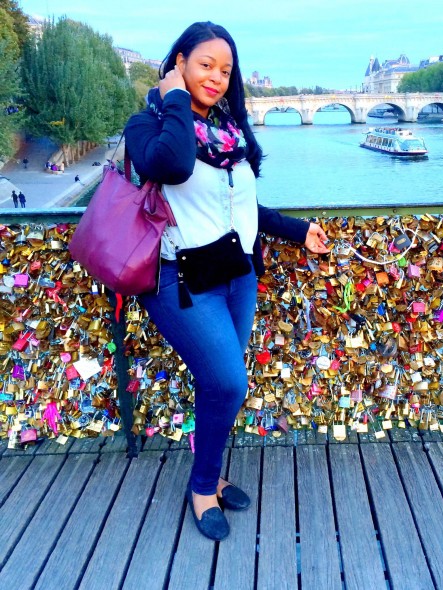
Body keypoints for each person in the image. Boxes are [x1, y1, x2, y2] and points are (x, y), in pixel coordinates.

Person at [125, 21, 328, 541]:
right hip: (180, 281)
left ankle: (212, 475)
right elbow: (170, 165)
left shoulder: (229, 132)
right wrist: (171, 97)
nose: (216, 77)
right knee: (228, 381)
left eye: (225, 69)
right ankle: (200, 488)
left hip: (237, 277)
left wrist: (297, 230)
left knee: (221, 389)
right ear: (179, 63)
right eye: (204, 65)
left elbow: (239, 204)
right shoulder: (147, 127)